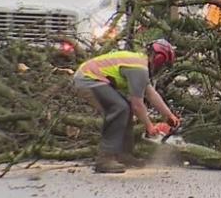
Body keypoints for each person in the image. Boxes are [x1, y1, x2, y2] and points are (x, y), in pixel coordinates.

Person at [73, 39, 181, 174]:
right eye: (163, 64)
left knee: (125, 108)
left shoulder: (139, 65)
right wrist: (149, 126)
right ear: (159, 58)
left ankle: (123, 155)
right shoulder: (139, 68)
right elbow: (138, 104)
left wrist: (168, 115)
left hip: (92, 78)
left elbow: (151, 94)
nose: (162, 67)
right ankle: (105, 159)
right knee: (118, 108)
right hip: (88, 80)